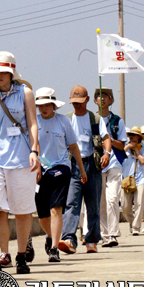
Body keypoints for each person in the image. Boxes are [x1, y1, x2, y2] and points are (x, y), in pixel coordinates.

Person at [0, 51, 40, 275]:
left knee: (22, 211)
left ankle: (21, 255)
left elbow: (32, 123)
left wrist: (34, 149)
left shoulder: (25, 93)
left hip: (21, 159)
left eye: (4, 72)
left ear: (12, 72)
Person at [35, 87, 87, 263]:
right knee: (42, 214)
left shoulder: (64, 121)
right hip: (39, 170)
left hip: (61, 167)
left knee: (56, 208)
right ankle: (51, 237)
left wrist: (81, 169)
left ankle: (54, 248)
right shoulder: (33, 122)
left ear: (54, 105)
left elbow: (73, 147)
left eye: (47, 105)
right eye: (40, 105)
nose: (44, 109)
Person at [58, 85, 111, 254]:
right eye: (74, 103)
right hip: (73, 165)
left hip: (92, 165)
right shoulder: (66, 119)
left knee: (93, 204)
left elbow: (106, 137)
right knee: (72, 203)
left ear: (87, 100)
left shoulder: (95, 118)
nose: (77, 106)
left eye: (80, 102)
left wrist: (107, 153)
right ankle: (69, 239)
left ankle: (92, 240)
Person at [93, 87, 127, 248]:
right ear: (95, 101)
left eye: (105, 96)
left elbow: (122, 144)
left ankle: (113, 233)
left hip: (114, 163)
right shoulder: (92, 119)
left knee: (113, 198)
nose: (102, 99)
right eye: (99, 96)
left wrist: (108, 139)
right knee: (100, 201)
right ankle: (105, 234)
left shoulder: (117, 121)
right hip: (97, 164)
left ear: (111, 100)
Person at [121, 127, 144, 235]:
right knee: (124, 205)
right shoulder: (125, 148)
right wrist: (128, 147)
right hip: (127, 180)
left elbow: (143, 161)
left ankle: (136, 227)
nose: (131, 137)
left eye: (134, 135)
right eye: (130, 135)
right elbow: (118, 157)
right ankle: (132, 222)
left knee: (139, 203)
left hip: (140, 179)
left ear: (139, 138)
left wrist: (137, 151)